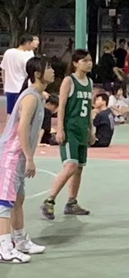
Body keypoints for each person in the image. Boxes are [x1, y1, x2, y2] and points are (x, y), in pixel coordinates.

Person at [0, 57, 54, 263]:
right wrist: (30, 158)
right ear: (37, 74)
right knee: (4, 202)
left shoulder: (37, 96)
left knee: (18, 199)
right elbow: (22, 128)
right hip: (11, 155)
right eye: (48, 68)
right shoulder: (30, 98)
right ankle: (4, 248)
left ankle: (20, 240)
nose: (52, 71)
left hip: (19, 155)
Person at [41, 49, 95, 220]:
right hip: (70, 129)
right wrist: (60, 129)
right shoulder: (69, 81)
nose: (89, 63)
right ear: (75, 63)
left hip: (82, 129)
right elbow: (62, 106)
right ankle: (49, 200)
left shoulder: (89, 82)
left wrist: (91, 128)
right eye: (85, 60)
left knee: (79, 168)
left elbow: (89, 108)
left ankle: (72, 202)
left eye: (90, 60)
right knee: (71, 165)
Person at [2, 34, 37, 114]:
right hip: (23, 89)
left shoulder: (8, 52)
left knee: (10, 114)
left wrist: (5, 85)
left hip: (10, 88)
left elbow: (3, 70)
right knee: (23, 113)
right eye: (32, 42)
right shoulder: (28, 55)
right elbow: (30, 73)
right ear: (28, 43)